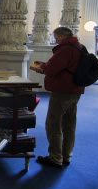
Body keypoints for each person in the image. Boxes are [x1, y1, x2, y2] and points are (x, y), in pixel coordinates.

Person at [30, 26, 84, 168]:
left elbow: (53, 69)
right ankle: (67, 155)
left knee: (53, 124)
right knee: (69, 124)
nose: (55, 39)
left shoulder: (65, 49)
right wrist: (47, 66)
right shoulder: (79, 46)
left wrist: (41, 68)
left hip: (62, 90)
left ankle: (55, 157)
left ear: (60, 36)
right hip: (75, 90)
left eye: (56, 37)